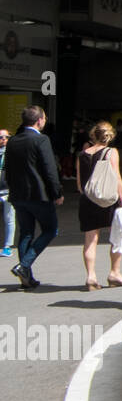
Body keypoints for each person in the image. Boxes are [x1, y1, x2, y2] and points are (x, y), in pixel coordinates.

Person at [7, 106, 63, 288]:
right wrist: (57, 192)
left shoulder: (13, 141)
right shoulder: (41, 139)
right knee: (50, 229)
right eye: (44, 118)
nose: (45, 121)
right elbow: (50, 169)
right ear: (39, 120)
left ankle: (26, 278)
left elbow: (8, 169)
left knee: (26, 233)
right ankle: (24, 266)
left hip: (18, 195)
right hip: (39, 196)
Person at [77, 121, 122, 290]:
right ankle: (114, 273)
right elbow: (117, 177)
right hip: (109, 200)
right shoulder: (111, 152)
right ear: (110, 136)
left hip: (88, 200)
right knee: (117, 236)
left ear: (93, 135)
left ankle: (91, 276)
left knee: (90, 240)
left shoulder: (82, 154)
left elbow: (79, 184)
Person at [0, 128, 14, 258]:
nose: (3, 139)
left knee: (9, 218)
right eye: (1, 137)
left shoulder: (12, 153)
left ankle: (7, 246)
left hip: (8, 189)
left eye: (6, 137)